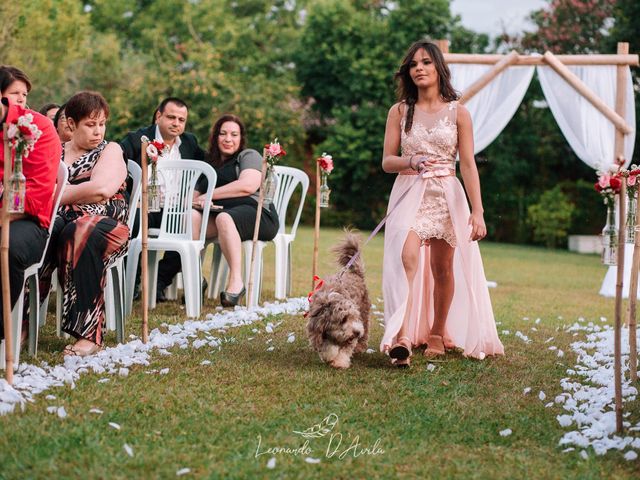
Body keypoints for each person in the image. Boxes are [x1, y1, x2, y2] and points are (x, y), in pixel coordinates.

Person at [380, 40, 504, 367]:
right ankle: (402, 336)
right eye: (413, 65)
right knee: (404, 257)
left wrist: (478, 212)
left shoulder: (459, 112)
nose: (418, 68)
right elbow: (387, 162)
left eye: (425, 63)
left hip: (446, 195)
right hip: (410, 192)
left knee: (442, 268)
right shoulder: (399, 112)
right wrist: (413, 161)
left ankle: (437, 332)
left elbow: (468, 165)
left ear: (438, 68)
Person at [38, 91, 129, 357]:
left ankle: (89, 332)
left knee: (80, 230)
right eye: (90, 124)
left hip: (107, 226)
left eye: (102, 124)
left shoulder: (110, 150)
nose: (98, 131)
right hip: (61, 223)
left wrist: (53, 197)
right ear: (70, 123)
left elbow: (101, 189)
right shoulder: (53, 152)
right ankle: (20, 323)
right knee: (44, 230)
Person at [120, 97, 206, 302]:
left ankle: (159, 280)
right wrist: (132, 199)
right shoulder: (137, 140)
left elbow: (207, 170)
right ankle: (130, 282)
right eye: (171, 117)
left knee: (192, 225)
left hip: (175, 209)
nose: (176, 123)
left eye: (181, 119)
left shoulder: (189, 143)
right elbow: (119, 167)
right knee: (134, 223)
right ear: (159, 116)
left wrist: (196, 192)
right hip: (143, 206)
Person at [188, 114, 279, 307]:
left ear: (241, 138)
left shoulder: (247, 156)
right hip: (223, 214)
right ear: (215, 137)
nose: (228, 139)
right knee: (192, 217)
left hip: (258, 214)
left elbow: (247, 185)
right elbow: (194, 198)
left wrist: (210, 195)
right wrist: (195, 201)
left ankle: (236, 282)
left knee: (224, 218)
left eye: (234, 134)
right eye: (223, 133)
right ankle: (194, 278)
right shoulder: (208, 164)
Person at [0, 70, 61, 341]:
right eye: (15, 94)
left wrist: (4, 216)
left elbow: (37, 192)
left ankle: (2, 333)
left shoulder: (37, 129)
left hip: (27, 218)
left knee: (7, 247)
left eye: (24, 95)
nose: (21, 101)